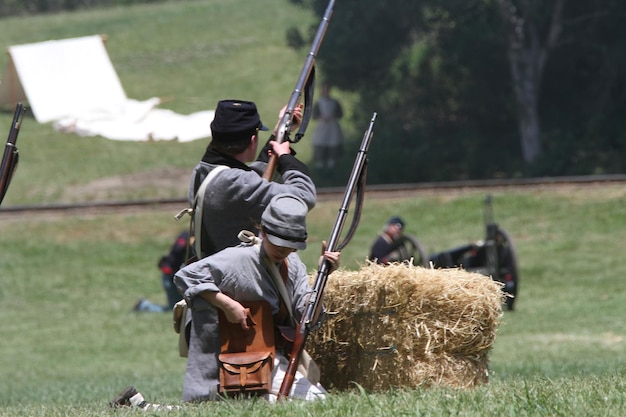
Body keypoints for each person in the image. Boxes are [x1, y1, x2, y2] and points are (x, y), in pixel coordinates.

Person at [110, 194, 340, 408]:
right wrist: (227, 304)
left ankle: (141, 406)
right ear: (264, 231)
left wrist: (322, 277)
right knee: (310, 403)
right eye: (278, 242)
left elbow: (305, 316)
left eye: (290, 244)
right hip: (231, 360)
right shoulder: (239, 257)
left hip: (269, 357)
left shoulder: (294, 264)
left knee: (317, 402)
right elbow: (186, 276)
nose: (283, 249)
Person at [186, 99, 316, 259]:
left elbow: (253, 179)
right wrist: (286, 158)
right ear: (253, 140)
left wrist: (280, 133)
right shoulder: (236, 182)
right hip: (237, 277)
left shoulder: (204, 169)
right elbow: (303, 196)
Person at [134, 231, 189, 312]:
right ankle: (144, 306)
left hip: (179, 278)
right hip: (171, 276)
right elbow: (177, 249)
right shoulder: (186, 236)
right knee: (175, 308)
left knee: (183, 308)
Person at [311, 83, 345, 169]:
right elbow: (314, 115)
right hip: (322, 126)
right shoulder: (319, 102)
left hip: (332, 125)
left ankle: (332, 162)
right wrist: (321, 117)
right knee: (320, 142)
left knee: (333, 142)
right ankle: (320, 163)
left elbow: (340, 114)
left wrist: (332, 116)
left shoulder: (334, 102)